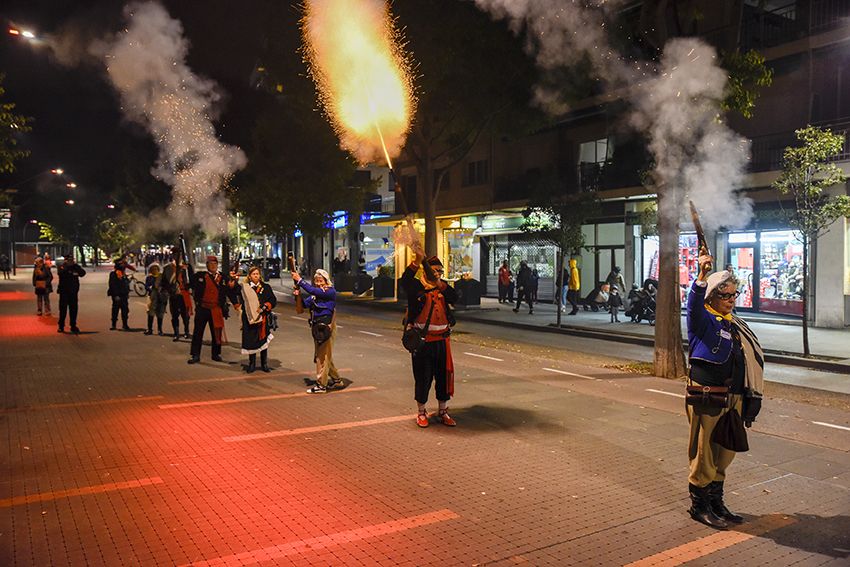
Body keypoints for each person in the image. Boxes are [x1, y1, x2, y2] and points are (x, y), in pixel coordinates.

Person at [686, 252, 764, 530]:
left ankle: (716, 503)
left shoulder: (733, 322)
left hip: (734, 397)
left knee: (724, 453)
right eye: (726, 295)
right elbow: (692, 304)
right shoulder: (702, 320)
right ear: (711, 298)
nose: (732, 299)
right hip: (709, 396)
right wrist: (701, 276)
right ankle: (699, 506)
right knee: (705, 452)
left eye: (735, 294)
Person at [401, 252, 458, 428]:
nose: (437, 274)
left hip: (442, 341)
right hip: (423, 342)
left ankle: (443, 410)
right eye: (434, 271)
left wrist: (439, 283)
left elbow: (455, 297)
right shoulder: (416, 287)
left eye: (440, 271)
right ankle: (421, 411)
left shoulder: (443, 287)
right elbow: (405, 279)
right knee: (423, 377)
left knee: (443, 377)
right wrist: (417, 261)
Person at [292, 268, 341, 393]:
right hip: (316, 327)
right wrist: (297, 296)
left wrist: (300, 281)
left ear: (326, 281)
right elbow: (302, 306)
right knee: (324, 355)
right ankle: (336, 380)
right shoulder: (315, 296)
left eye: (321, 281)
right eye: (316, 281)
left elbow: (313, 290)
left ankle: (321, 385)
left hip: (327, 326)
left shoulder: (330, 291)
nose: (319, 283)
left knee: (322, 357)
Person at [188, 256, 234, 364]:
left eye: (214, 263)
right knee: (198, 333)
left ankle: (216, 354)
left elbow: (232, 289)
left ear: (217, 265)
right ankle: (195, 355)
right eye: (210, 263)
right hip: (202, 308)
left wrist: (233, 285)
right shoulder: (200, 276)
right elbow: (189, 280)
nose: (213, 265)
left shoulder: (223, 277)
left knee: (216, 333)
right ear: (207, 265)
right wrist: (188, 267)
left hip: (216, 308)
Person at [235, 266, 277, 373]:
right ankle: (252, 363)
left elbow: (273, 300)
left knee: (263, 342)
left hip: (262, 319)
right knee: (251, 341)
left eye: (257, 274)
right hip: (249, 319)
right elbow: (235, 293)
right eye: (253, 274)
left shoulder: (266, 287)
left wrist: (266, 306)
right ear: (249, 276)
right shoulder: (245, 287)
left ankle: (264, 363)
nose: (256, 276)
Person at [163, 253, 194, 341]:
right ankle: (176, 333)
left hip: (184, 294)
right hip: (173, 295)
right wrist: (168, 290)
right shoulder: (168, 268)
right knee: (174, 315)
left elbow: (192, 279)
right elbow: (164, 281)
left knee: (185, 315)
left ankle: (186, 331)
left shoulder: (186, 267)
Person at [56, 253, 86, 333]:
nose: (70, 261)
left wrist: (75, 266)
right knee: (63, 310)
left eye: (71, 260)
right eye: (69, 260)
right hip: (64, 291)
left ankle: (73, 325)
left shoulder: (75, 267)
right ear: (65, 260)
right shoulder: (62, 266)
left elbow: (83, 273)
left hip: (73, 291)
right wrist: (67, 266)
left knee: (73, 309)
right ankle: (61, 326)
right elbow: (61, 273)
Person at [144, 263, 167, 336]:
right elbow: (146, 286)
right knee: (150, 312)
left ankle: (160, 330)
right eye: (153, 269)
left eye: (156, 269)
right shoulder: (149, 277)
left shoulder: (161, 277)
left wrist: (162, 289)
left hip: (160, 297)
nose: (154, 270)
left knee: (160, 313)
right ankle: (149, 329)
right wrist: (150, 288)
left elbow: (166, 286)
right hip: (152, 297)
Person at [108, 259, 131, 330]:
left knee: (125, 310)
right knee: (115, 310)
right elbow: (112, 285)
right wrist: (115, 295)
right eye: (121, 265)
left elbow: (126, 284)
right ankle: (113, 324)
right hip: (117, 295)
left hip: (124, 294)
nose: (123, 266)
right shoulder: (114, 274)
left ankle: (125, 324)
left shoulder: (123, 274)